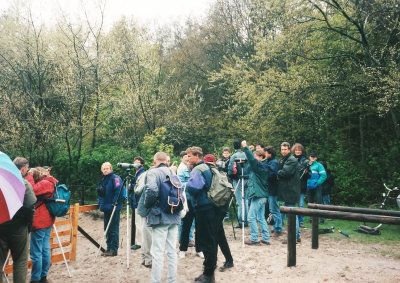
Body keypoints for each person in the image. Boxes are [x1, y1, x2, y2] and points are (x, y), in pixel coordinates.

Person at [144, 152, 180, 283]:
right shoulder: (173, 173)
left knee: (157, 253)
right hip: (174, 215)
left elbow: (152, 190)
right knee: (171, 252)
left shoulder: (153, 172)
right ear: (167, 162)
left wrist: (148, 205)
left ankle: (156, 281)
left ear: (155, 162)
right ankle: (172, 280)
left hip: (160, 217)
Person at [0, 156, 36, 283]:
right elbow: (30, 206)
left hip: (0, 226)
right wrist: (29, 224)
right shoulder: (23, 183)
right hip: (19, 227)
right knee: (20, 261)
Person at [186, 147, 218, 283]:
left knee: (207, 241)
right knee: (209, 240)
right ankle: (208, 272)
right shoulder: (206, 167)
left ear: (197, 156)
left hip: (203, 208)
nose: (188, 158)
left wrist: (186, 184)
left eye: (189, 156)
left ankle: (209, 275)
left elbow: (194, 188)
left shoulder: (198, 169)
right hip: (210, 206)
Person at [25, 167, 57, 283]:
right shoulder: (51, 181)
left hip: (40, 222)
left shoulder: (45, 183)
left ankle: (35, 279)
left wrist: (29, 175)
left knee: (36, 252)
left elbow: (32, 189)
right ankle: (43, 277)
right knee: (45, 249)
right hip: (47, 221)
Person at [203, 154, 234, 272]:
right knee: (219, 234)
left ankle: (214, 262)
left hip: (217, 208)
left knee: (214, 235)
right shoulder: (218, 171)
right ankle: (229, 260)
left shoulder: (208, 172)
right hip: (222, 207)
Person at [240, 141, 271, 245]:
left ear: (262, 157)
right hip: (261, 196)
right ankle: (266, 238)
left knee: (251, 217)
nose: (253, 158)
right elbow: (251, 163)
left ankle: (254, 238)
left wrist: (245, 147)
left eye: (256, 156)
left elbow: (252, 160)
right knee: (260, 218)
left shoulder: (260, 166)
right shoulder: (260, 166)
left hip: (259, 196)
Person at [97, 162, 125, 256]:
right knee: (107, 228)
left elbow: (119, 192)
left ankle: (114, 249)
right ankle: (108, 248)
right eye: (104, 169)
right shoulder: (103, 180)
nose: (105, 170)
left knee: (113, 229)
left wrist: (115, 203)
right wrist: (100, 203)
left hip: (114, 208)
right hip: (106, 208)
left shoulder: (115, 178)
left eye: (107, 168)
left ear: (110, 169)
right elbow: (100, 193)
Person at [277, 142, 301, 243]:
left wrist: (276, 172)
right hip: (289, 190)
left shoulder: (291, 160)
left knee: (291, 215)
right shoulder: (285, 159)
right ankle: (297, 236)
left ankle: (293, 238)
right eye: (282, 149)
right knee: (291, 214)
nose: (283, 151)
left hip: (291, 191)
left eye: (285, 149)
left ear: (289, 149)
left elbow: (285, 173)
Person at [178, 151, 198, 259]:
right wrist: (192, 183)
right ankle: (182, 249)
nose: (189, 163)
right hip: (187, 201)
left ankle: (199, 249)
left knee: (198, 227)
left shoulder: (197, 171)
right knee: (186, 225)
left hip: (198, 201)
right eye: (188, 161)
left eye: (190, 162)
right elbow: (180, 185)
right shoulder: (182, 171)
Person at [228, 140, 250, 228]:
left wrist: (231, 178)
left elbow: (230, 168)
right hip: (247, 178)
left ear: (234, 147)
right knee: (246, 201)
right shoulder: (246, 154)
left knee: (240, 202)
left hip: (238, 179)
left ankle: (241, 222)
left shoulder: (234, 156)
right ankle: (247, 220)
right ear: (241, 146)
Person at [264, 146, 282, 237]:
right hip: (270, 188)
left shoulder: (274, 162)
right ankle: (276, 227)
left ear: (270, 154)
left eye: (266, 152)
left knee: (274, 209)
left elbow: (272, 174)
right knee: (272, 209)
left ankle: (278, 229)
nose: (264, 154)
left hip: (274, 189)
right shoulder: (269, 161)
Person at [291, 143, 309, 228]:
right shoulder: (291, 159)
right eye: (296, 150)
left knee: (301, 204)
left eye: (299, 150)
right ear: (294, 150)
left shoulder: (305, 161)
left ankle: (301, 221)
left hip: (301, 187)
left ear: (302, 151)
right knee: (291, 204)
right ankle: (293, 221)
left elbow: (310, 174)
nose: (298, 151)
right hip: (292, 186)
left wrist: (306, 173)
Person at [306, 153, 327, 223]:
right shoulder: (307, 165)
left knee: (319, 202)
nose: (312, 158)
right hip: (309, 186)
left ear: (316, 158)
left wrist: (318, 183)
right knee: (310, 202)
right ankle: (311, 218)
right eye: (311, 157)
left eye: (314, 157)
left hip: (317, 186)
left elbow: (324, 175)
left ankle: (321, 219)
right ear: (309, 157)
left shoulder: (319, 165)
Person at [130, 156, 145, 250]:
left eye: (138, 162)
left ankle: (139, 242)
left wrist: (131, 186)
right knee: (137, 222)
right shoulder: (136, 174)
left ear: (142, 164)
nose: (136, 163)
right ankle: (139, 241)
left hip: (139, 200)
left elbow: (139, 187)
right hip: (136, 200)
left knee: (139, 223)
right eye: (135, 162)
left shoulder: (142, 174)